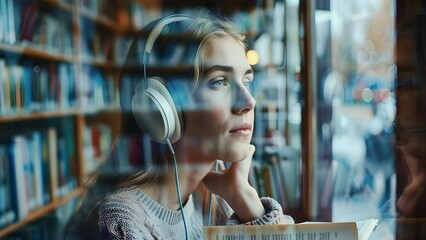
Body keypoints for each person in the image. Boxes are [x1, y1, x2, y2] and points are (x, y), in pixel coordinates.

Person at [60, 10, 293, 240]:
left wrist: (245, 200)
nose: (248, 102)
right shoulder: (120, 223)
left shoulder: (211, 198)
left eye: (246, 81)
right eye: (219, 82)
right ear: (163, 107)